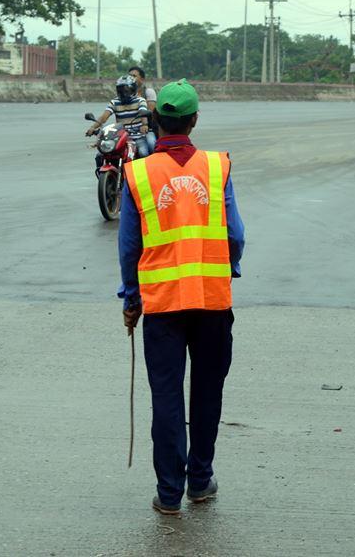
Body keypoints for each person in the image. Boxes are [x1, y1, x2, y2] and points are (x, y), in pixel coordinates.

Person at [118, 79, 245, 515]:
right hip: (212, 300)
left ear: (156, 120)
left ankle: (169, 493)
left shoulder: (137, 173)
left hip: (163, 306)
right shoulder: (216, 166)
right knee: (208, 393)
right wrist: (231, 268)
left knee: (167, 398)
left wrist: (131, 299)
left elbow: (129, 247)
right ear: (193, 121)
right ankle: (201, 481)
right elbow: (236, 234)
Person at [86, 75, 152, 158]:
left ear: (133, 89)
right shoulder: (114, 102)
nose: (124, 94)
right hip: (120, 138)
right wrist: (93, 127)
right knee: (100, 155)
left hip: (137, 137)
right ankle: (100, 171)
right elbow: (104, 117)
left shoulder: (140, 100)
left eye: (127, 91)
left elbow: (143, 112)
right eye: (121, 91)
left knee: (143, 153)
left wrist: (144, 125)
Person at [129, 65, 158, 154]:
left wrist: (144, 124)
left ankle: (152, 165)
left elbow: (151, 112)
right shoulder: (124, 93)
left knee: (151, 143)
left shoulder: (148, 92)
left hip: (147, 128)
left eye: (134, 76)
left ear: (142, 79)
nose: (131, 78)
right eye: (130, 76)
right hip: (130, 129)